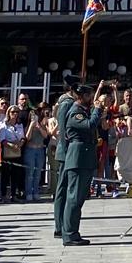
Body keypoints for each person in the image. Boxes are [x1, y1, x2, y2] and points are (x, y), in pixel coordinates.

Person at [59, 80, 108, 245]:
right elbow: (89, 125)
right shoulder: (75, 112)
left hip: (84, 158)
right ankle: (69, 234)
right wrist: (98, 110)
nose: (91, 99)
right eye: (89, 95)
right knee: (73, 197)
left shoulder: (83, 110)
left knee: (79, 198)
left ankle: (73, 232)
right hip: (78, 158)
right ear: (82, 96)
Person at [51, 74, 78, 233]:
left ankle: (64, 223)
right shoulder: (66, 103)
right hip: (66, 151)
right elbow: (63, 129)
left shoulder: (73, 102)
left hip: (71, 152)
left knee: (68, 189)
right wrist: (68, 150)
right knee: (62, 189)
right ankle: (59, 224)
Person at [22, 107, 48, 202]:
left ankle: (36, 192)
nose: (34, 118)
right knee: (30, 173)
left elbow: (45, 135)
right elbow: (27, 137)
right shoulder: (27, 126)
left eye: (35, 115)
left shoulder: (41, 125)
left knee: (38, 173)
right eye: (32, 116)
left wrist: (39, 127)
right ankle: (29, 193)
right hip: (30, 150)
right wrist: (31, 126)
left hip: (40, 150)